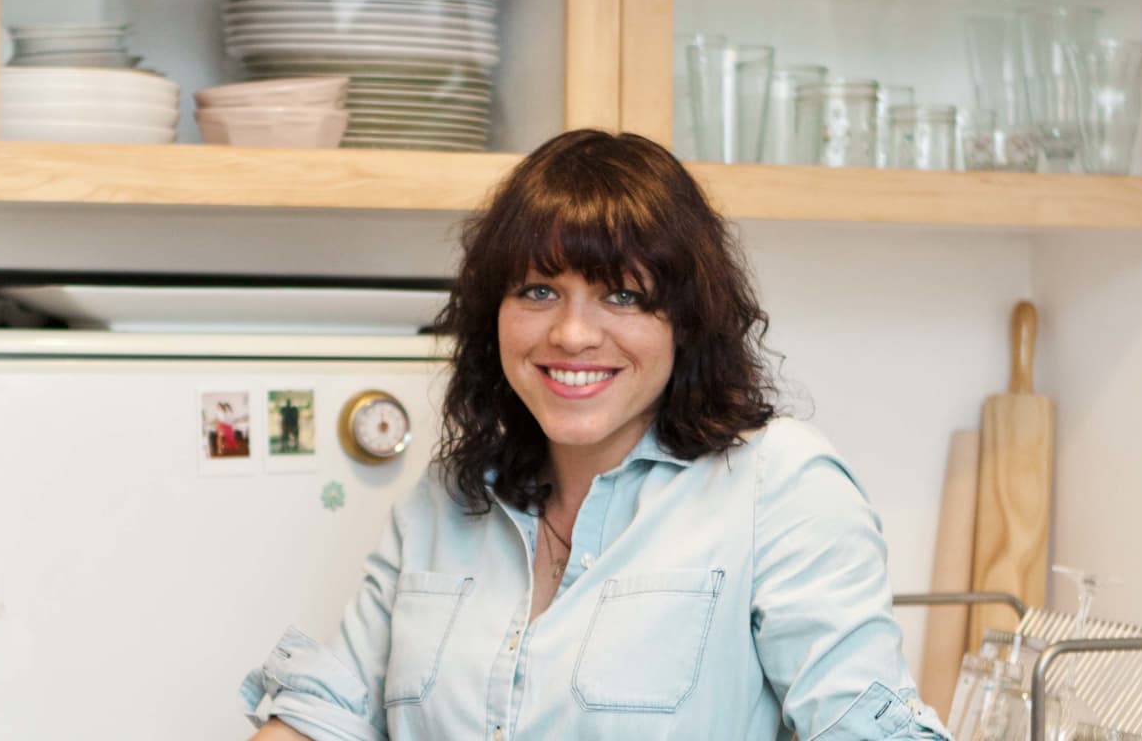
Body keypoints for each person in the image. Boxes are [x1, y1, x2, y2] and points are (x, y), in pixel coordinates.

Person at [240, 129, 949, 741]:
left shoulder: (779, 487)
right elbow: (323, 715)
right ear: (495, 314)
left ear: (687, 320)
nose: (573, 334)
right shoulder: (446, 502)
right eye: (538, 291)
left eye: (624, 296)